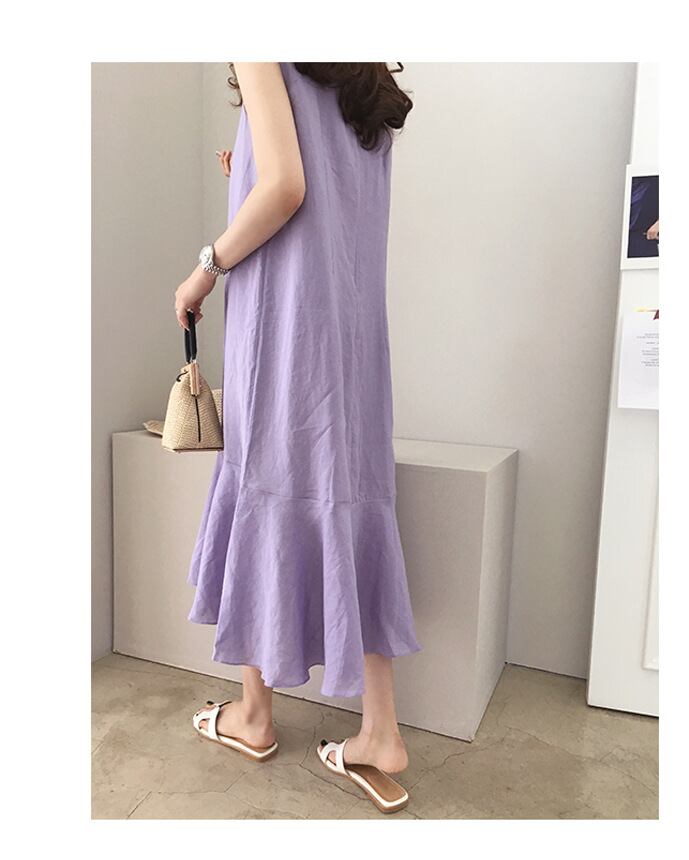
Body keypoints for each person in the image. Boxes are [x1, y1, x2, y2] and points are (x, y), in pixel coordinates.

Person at [174, 62, 421, 813]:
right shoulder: (363, 76)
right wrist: (247, 166)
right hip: (350, 329)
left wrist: (205, 268)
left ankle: (254, 715)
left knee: (265, 486)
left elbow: (285, 189)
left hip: (284, 323)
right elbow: (321, 187)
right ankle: (380, 732)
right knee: (352, 498)